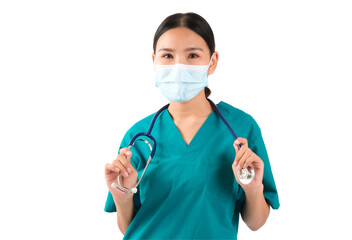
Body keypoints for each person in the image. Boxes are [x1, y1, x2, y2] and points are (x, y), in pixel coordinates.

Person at [104, 12, 280, 239]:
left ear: (212, 62)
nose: (179, 66)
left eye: (193, 55)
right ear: (154, 61)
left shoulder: (240, 129)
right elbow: (129, 228)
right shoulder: (139, 138)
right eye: (167, 55)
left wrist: (253, 188)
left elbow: (256, 223)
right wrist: (122, 196)